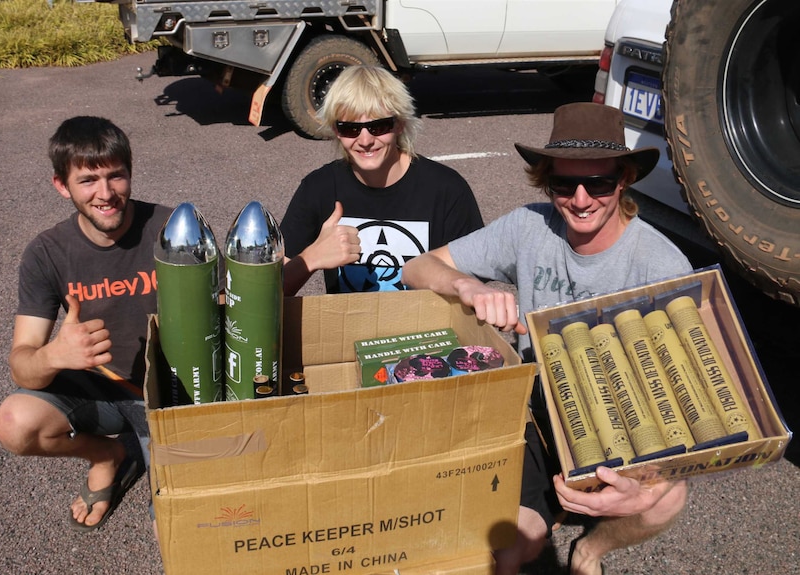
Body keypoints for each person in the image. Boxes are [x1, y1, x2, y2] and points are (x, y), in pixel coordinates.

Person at [401, 102, 692, 575]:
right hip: (536, 409)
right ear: (546, 180)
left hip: (618, 420)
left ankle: (589, 551)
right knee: (509, 549)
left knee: (665, 499)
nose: (579, 200)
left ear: (623, 181)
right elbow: (416, 266)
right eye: (563, 183)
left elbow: (682, 401)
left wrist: (645, 481)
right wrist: (469, 286)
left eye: (597, 183)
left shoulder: (661, 267)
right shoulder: (529, 226)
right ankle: (546, 513)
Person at [0, 116, 171, 532]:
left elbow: (221, 309)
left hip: (164, 392)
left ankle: (153, 456)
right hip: (95, 390)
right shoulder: (47, 253)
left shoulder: (171, 228)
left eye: (116, 177)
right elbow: (22, 364)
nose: (106, 194)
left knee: (172, 516)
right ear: (62, 185)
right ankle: (107, 455)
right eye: (88, 180)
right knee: (15, 422)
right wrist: (55, 354)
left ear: (130, 172)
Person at [280, 65, 483, 296]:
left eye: (378, 126)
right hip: (347, 329)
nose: (365, 140)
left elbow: (473, 287)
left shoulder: (447, 190)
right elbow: (267, 295)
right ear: (336, 131)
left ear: (400, 124)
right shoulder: (319, 188)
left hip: (428, 330)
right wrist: (311, 258)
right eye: (350, 128)